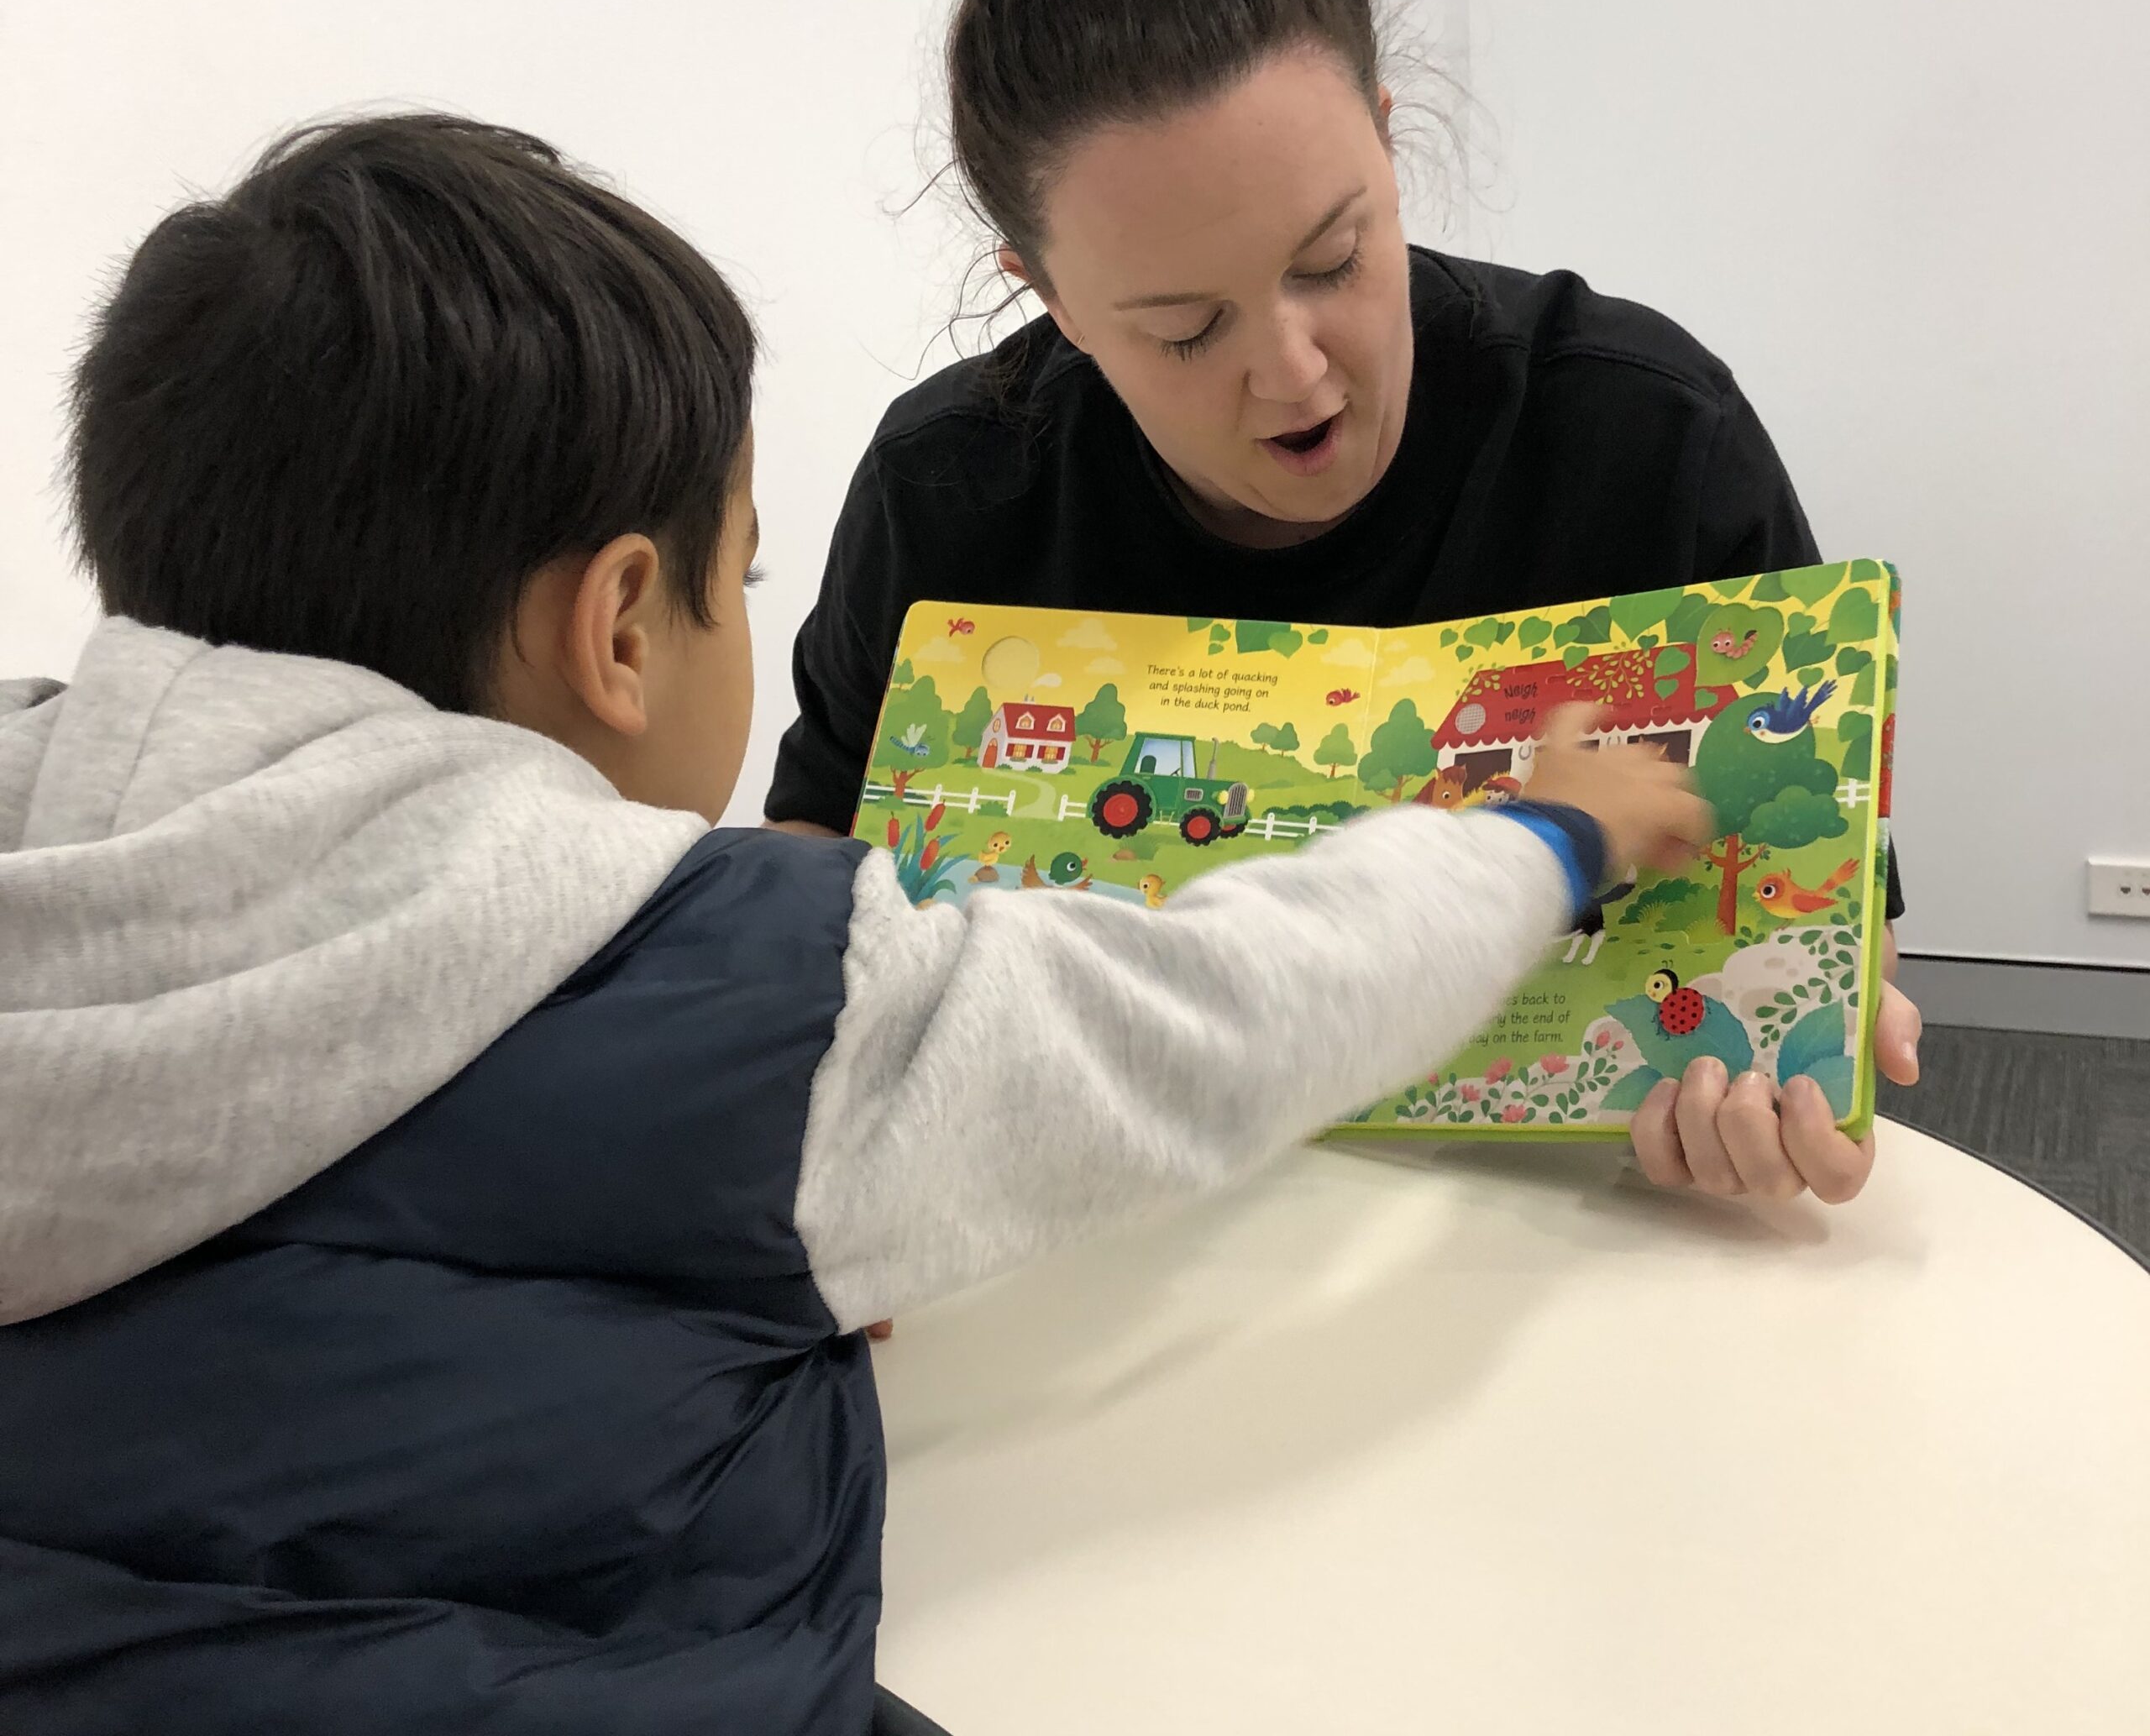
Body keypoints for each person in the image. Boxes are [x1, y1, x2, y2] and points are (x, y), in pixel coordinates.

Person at [0, 114, 1706, 1733]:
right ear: (615, 626)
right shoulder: (735, 992)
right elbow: (1220, 1009)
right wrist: (1547, 837)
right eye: (735, 575)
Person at [769, 0, 1922, 1206]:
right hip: (1108, 1247)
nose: (1297, 372)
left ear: (1387, 143)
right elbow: (821, 849)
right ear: (1048, 298)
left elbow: (1822, 888)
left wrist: (1814, 1042)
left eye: (1336, 260)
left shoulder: (1641, 437)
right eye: (1185, 330)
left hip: (1553, 1233)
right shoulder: (955, 491)